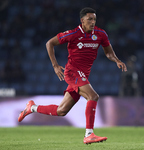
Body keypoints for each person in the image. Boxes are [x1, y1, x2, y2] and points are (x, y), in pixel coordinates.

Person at [18, 7, 127, 144]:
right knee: (93, 96)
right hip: (72, 72)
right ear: (82, 20)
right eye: (89, 19)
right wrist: (55, 65)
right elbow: (49, 43)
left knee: (61, 111)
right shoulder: (73, 34)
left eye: (94, 19)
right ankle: (89, 134)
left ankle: (32, 108)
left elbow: (108, 53)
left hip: (83, 75)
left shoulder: (100, 34)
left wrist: (117, 60)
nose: (92, 22)